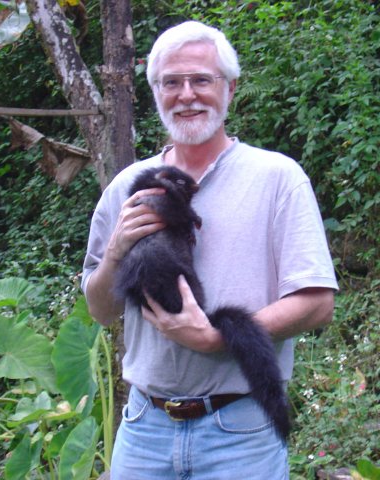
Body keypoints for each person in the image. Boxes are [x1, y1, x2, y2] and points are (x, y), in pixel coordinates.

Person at [81, 21, 338, 480]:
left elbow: (318, 303)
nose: (186, 95)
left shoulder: (278, 178)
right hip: (143, 429)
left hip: (240, 431)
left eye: (201, 79)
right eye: (171, 82)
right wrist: (117, 249)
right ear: (155, 92)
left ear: (230, 89)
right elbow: (101, 310)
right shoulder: (126, 186)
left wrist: (216, 339)